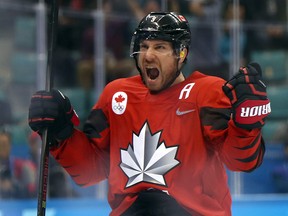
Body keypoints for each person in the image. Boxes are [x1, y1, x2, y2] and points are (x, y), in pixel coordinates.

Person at [28, 12, 271, 216]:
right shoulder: (117, 94)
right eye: (144, 47)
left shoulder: (205, 92)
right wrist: (61, 133)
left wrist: (246, 124)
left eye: (160, 47)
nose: (148, 55)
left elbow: (240, 162)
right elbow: (91, 170)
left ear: (182, 53)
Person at [0, 129, 37, 198]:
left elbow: (31, 191)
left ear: (10, 146)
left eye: (5, 144)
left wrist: (13, 186)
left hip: (17, 204)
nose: (2, 148)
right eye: (0, 145)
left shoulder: (21, 166)